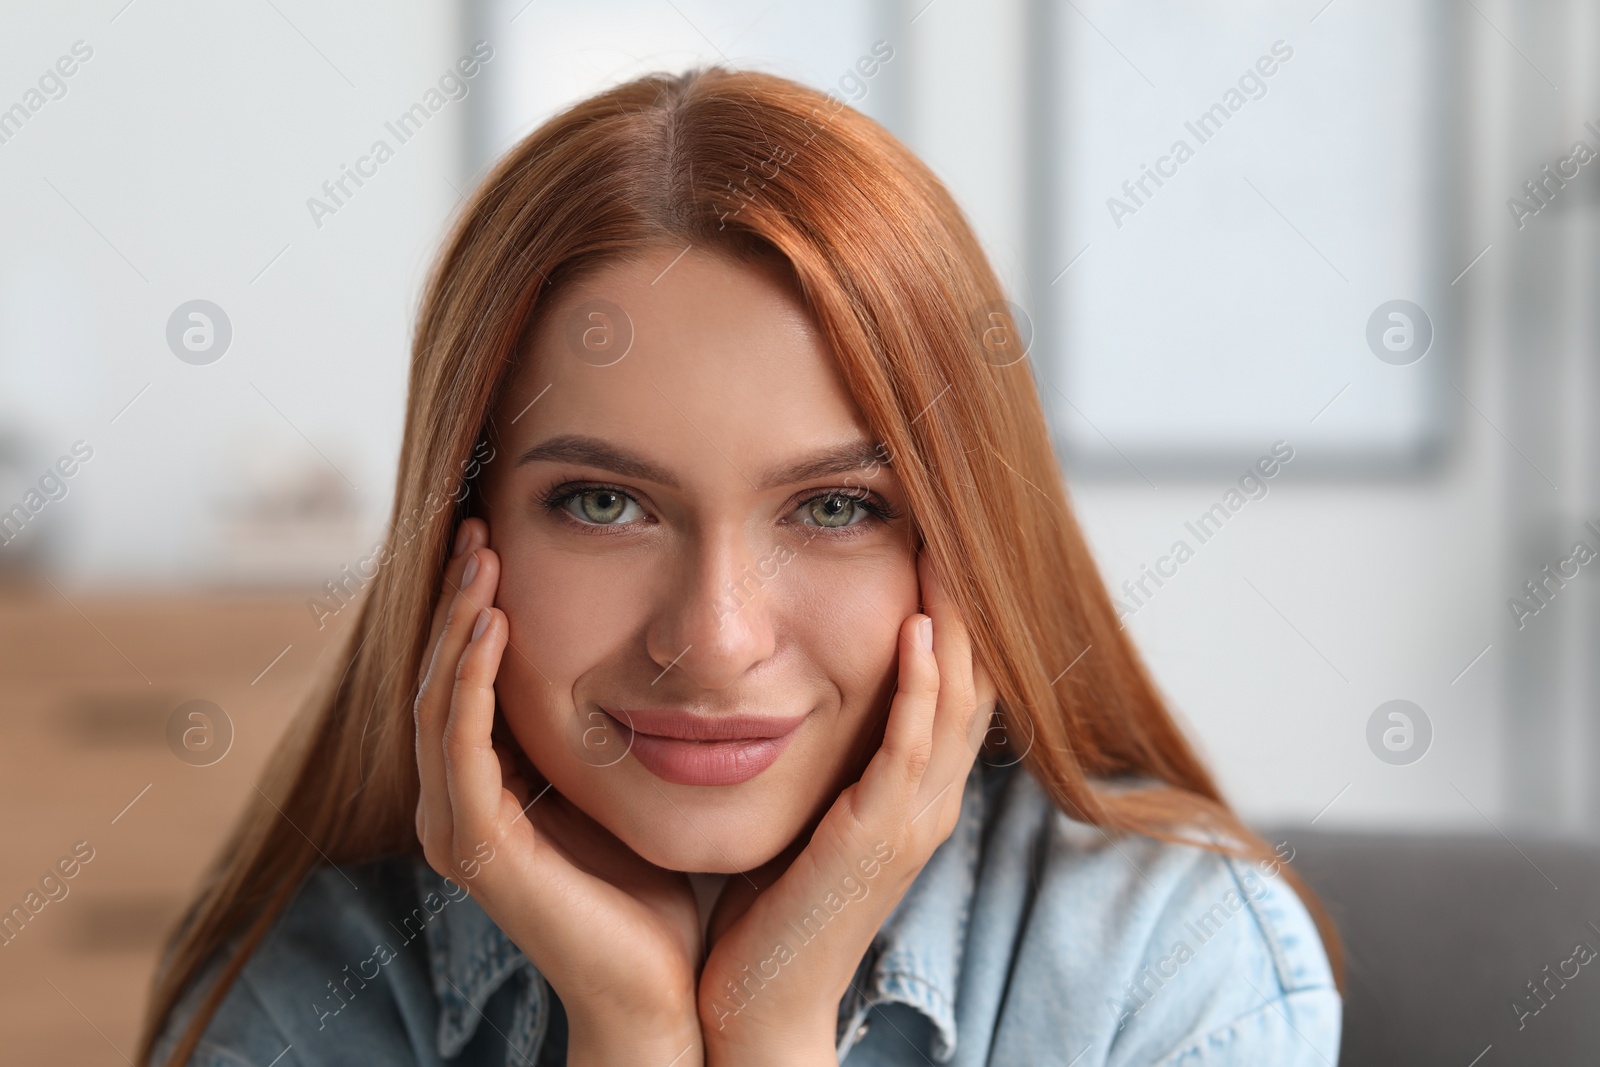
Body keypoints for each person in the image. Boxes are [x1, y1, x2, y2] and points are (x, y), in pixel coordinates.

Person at [140, 66, 1342, 1066]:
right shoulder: (312, 997)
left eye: (833, 506)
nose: (713, 640)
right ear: (464, 534)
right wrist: (629, 1030)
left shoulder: (1171, 963)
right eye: (603, 502)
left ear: (963, 546)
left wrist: (769, 1020)